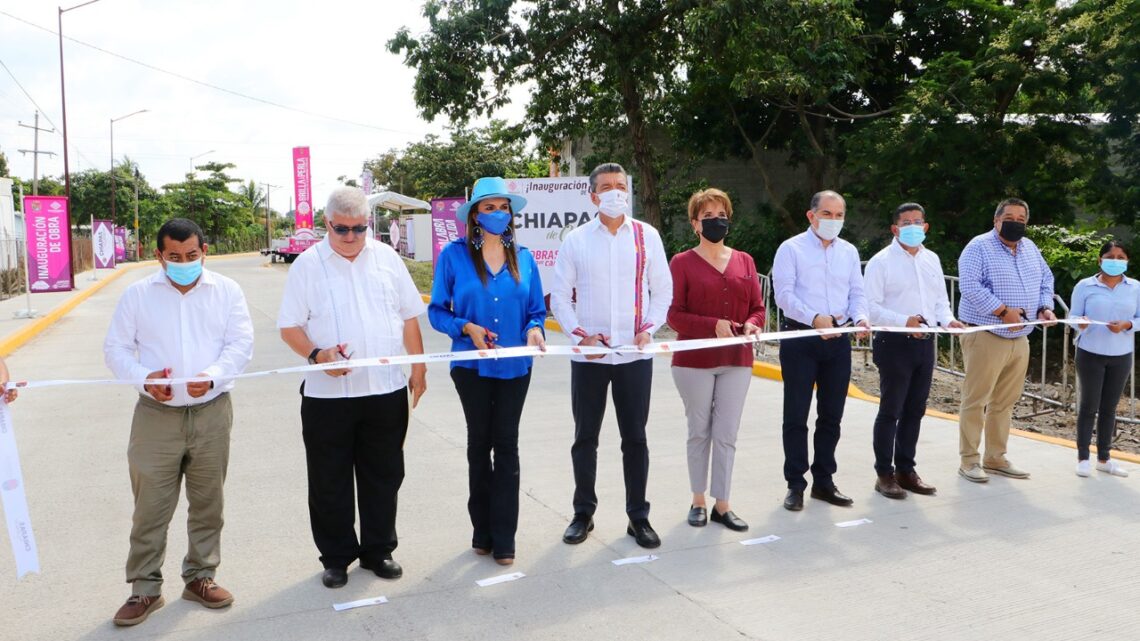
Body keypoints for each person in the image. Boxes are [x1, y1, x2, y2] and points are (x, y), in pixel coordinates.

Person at [104, 218, 254, 626]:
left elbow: (240, 343)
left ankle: (201, 577)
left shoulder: (227, 291)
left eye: (192, 256)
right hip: (156, 417)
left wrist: (215, 374)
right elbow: (116, 348)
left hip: (212, 410)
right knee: (150, 507)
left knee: (208, 503)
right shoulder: (138, 295)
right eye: (175, 257)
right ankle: (144, 589)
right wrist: (144, 379)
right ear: (159, 256)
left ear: (204, 251)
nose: (184, 262)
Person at [278, 187, 427, 589]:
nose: (350, 237)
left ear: (369, 224)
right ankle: (337, 556)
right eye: (341, 229)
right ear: (326, 223)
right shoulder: (307, 266)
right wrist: (317, 355)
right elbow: (289, 326)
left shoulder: (387, 259)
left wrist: (418, 368)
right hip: (328, 399)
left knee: (384, 475)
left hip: (384, 391)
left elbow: (409, 316)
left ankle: (379, 551)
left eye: (359, 228)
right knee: (329, 479)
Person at [550, 162, 672, 549]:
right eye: (607, 186)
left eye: (621, 185)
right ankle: (582, 513)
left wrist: (648, 328)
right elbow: (560, 298)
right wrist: (579, 336)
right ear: (593, 196)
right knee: (585, 437)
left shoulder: (646, 237)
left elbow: (662, 292)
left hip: (634, 357)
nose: (615, 192)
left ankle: (638, 517)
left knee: (635, 438)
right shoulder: (577, 241)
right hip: (591, 358)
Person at [428, 177, 547, 565]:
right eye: (489, 207)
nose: (498, 214)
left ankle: (505, 537)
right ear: (474, 215)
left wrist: (535, 329)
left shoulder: (524, 257)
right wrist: (465, 327)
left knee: (507, 444)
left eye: (503, 207)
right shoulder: (454, 255)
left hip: (515, 366)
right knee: (480, 444)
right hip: (470, 367)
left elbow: (536, 311)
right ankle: (482, 530)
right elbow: (437, 310)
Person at [667, 188, 764, 531]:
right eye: (707, 217)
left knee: (726, 433)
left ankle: (723, 504)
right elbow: (674, 315)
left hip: (737, 358)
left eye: (721, 215)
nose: (716, 221)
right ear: (695, 224)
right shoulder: (681, 263)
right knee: (700, 431)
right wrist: (713, 325)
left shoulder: (745, 261)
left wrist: (752, 325)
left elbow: (758, 307)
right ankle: (698, 501)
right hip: (694, 362)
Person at [772, 190, 870, 511]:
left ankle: (824, 481)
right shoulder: (791, 249)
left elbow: (857, 291)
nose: (833, 220)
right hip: (801, 338)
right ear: (811, 216)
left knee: (831, 415)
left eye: (839, 215)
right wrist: (815, 319)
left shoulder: (849, 252)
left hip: (838, 343)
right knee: (796, 415)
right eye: (827, 214)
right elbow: (784, 296)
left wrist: (861, 317)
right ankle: (795, 484)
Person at [864, 203, 963, 499]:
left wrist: (949, 320)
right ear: (895, 229)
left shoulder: (931, 259)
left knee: (915, 410)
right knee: (891, 409)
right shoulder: (880, 262)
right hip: (893, 342)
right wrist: (903, 321)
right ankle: (884, 473)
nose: (912, 226)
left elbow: (939, 302)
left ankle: (906, 469)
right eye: (905, 222)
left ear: (926, 227)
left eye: (917, 221)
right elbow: (870, 307)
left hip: (925, 343)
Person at [957, 197, 1056, 483]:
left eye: (1022, 219)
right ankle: (969, 461)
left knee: (1004, 402)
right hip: (986, 334)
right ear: (996, 220)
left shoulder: (1030, 248)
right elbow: (970, 286)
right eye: (1009, 217)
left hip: (1020, 337)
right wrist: (1001, 311)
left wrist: (1044, 307)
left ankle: (995, 457)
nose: (1016, 223)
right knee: (975, 401)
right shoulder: (978, 247)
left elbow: (1045, 279)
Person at [1070, 240, 1138, 478]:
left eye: (1121, 257)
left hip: (1121, 356)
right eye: (1110, 256)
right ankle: (1082, 458)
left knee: (1109, 409)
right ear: (1100, 260)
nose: (1115, 261)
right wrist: (1080, 323)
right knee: (1088, 407)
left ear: (1127, 261)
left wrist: (1128, 325)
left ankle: (1104, 458)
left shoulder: (1135, 287)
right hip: (1090, 354)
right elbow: (1073, 316)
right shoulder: (1084, 286)